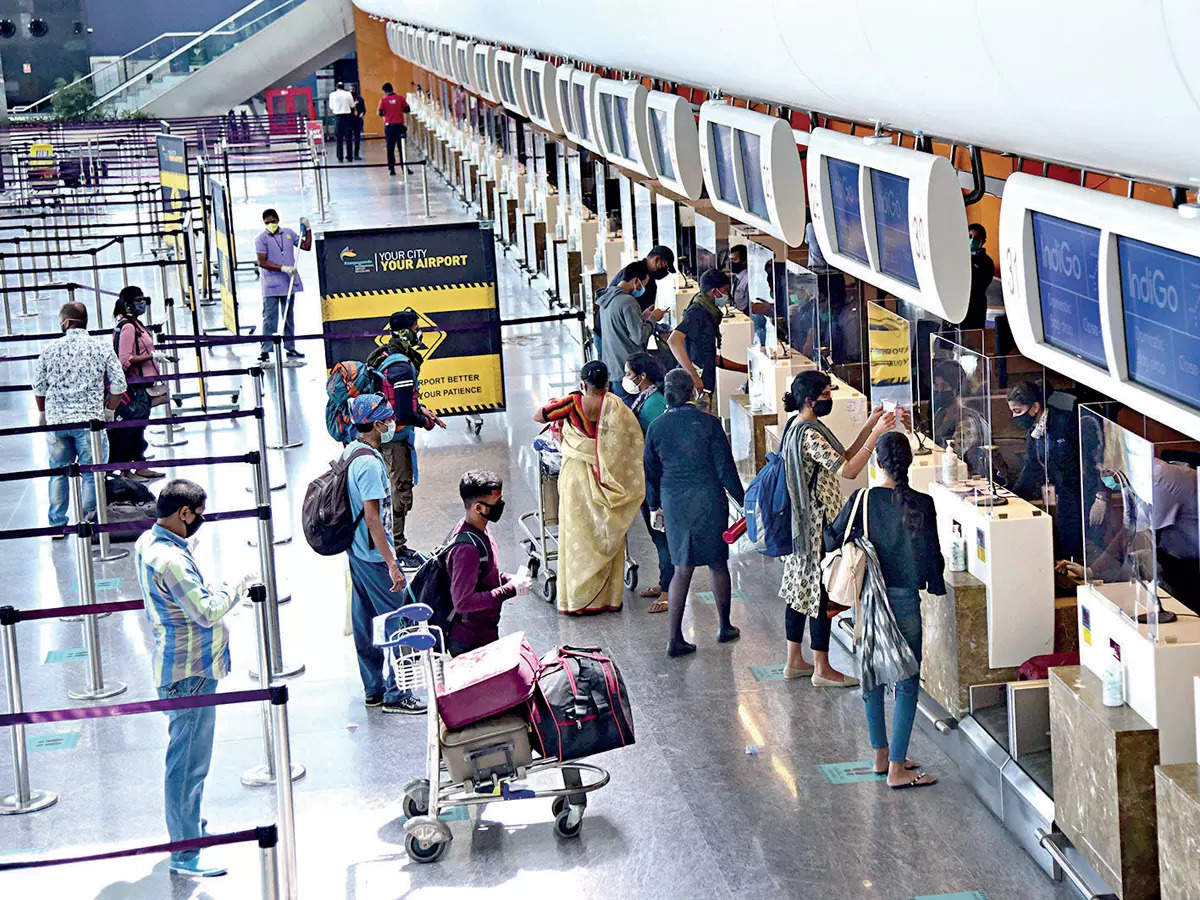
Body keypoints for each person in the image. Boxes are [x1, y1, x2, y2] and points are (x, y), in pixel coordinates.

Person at [135, 479, 253, 877]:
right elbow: (205, 611)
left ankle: (189, 827)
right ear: (183, 513)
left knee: (188, 760)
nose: (200, 521)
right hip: (191, 672)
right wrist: (234, 587)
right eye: (197, 514)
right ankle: (184, 852)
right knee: (188, 764)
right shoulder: (171, 560)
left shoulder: (150, 545)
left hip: (179, 665)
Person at [826, 432, 944, 788]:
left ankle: (881, 755)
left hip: (869, 601)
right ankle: (897, 767)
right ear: (908, 463)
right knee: (907, 680)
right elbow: (930, 557)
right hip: (905, 598)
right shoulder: (921, 503)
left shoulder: (862, 500)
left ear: (878, 464)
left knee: (871, 675)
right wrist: (933, 585)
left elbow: (833, 538)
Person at [779, 370, 894, 685]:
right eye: (826, 394)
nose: (830, 399)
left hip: (800, 524)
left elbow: (842, 454)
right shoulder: (810, 434)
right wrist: (877, 435)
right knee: (819, 594)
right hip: (817, 525)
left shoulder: (797, 426)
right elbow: (848, 469)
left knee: (799, 593)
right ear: (809, 399)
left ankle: (794, 661)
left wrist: (871, 424)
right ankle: (822, 668)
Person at [644, 368, 745, 656]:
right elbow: (725, 468)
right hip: (708, 497)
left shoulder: (656, 427)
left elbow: (650, 471)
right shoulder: (709, 423)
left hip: (674, 500)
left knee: (682, 567)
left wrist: (654, 506)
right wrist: (744, 502)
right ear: (693, 392)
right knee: (717, 562)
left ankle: (674, 638)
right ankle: (724, 626)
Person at [534, 361, 645, 614]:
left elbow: (539, 415)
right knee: (605, 533)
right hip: (607, 479)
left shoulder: (573, 402)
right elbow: (629, 445)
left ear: (583, 383)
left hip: (577, 478)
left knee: (578, 535)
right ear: (607, 383)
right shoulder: (616, 407)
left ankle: (578, 599)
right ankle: (608, 599)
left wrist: (555, 408)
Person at [343, 394, 425, 714]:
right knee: (400, 619)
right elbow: (374, 519)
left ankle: (373, 688)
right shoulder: (369, 464)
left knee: (365, 619)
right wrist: (393, 564)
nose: (392, 422)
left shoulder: (350, 452)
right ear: (376, 424)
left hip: (357, 553)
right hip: (375, 556)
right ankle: (398, 692)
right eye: (388, 418)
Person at [33, 301, 126, 530]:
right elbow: (119, 385)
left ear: (64, 322)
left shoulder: (49, 348)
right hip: (90, 423)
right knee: (91, 475)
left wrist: (43, 413)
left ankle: (57, 524)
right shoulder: (101, 347)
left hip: (57, 421)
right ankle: (90, 523)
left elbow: (39, 387)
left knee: (58, 473)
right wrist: (109, 410)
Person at [366, 310, 447, 565]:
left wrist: (420, 408)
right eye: (416, 327)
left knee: (391, 489)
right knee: (400, 491)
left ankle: (393, 545)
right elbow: (402, 411)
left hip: (385, 434)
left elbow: (398, 398)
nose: (418, 331)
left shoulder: (386, 354)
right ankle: (397, 550)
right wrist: (424, 421)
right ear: (405, 331)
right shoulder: (401, 366)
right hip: (394, 439)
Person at [445, 470, 527, 656]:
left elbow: (483, 575)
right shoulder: (467, 550)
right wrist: (509, 589)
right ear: (478, 508)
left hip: (484, 633)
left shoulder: (479, 530)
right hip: (470, 643)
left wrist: (507, 579)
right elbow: (463, 602)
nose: (501, 505)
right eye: (496, 502)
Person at [1006, 381, 1083, 560]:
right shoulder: (1034, 430)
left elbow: (1086, 460)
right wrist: (1014, 496)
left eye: (1017, 411)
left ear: (1035, 407)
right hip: (1063, 494)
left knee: (1075, 542)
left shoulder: (1064, 423)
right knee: (1066, 540)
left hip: (1079, 491)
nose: (1014, 416)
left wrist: (1099, 496)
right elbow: (1032, 466)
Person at [623, 351, 672, 610]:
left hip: (657, 480)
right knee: (657, 536)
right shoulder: (644, 400)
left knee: (661, 535)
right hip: (649, 477)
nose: (626, 378)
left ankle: (668, 591)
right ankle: (665, 583)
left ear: (642, 377)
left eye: (629, 374)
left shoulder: (653, 405)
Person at [109, 286, 164, 481]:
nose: (142, 303)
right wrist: (151, 356)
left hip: (143, 383)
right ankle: (128, 470)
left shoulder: (134, 324)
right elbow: (125, 359)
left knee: (139, 426)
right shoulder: (128, 327)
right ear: (128, 304)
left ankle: (138, 466)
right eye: (138, 299)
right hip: (135, 385)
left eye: (144, 299)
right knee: (132, 427)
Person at [666, 268, 746, 402]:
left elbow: (707, 355)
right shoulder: (697, 312)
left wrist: (744, 368)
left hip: (705, 383)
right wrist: (694, 376)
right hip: (694, 387)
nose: (727, 295)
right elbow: (673, 341)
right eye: (725, 290)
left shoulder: (708, 312)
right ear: (715, 291)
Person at [595, 260, 662, 399]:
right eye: (643, 284)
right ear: (636, 281)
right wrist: (653, 319)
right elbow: (639, 337)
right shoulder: (628, 302)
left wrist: (641, 318)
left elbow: (620, 326)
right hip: (629, 370)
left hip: (613, 368)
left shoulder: (607, 298)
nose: (643, 288)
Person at [594, 246, 675, 357]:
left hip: (608, 332)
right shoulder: (635, 291)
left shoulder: (630, 273)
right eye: (664, 266)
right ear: (656, 259)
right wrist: (653, 319)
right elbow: (638, 336)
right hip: (616, 339)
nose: (664, 271)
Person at [255, 208, 312, 365]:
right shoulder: (261, 239)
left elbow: (306, 246)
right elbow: (262, 262)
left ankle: (290, 346)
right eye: (267, 223)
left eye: (273, 222)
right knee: (269, 318)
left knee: (288, 316)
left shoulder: (288, 234)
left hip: (288, 282)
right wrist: (282, 268)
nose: (270, 225)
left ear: (278, 220)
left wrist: (308, 229)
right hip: (271, 285)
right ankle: (265, 350)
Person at [729, 244, 773, 345]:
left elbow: (753, 305)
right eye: (730, 260)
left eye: (734, 260)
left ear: (744, 261)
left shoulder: (751, 279)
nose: (731, 263)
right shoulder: (737, 278)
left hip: (754, 319)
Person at [960, 223, 995, 330]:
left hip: (975, 307)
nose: (972, 241)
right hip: (957, 305)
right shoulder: (958, 255)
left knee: (973, 341)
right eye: (970, 237)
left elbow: (980, 285)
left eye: (976, 239)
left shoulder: (986, 262)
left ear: (983, 242)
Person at [378, 82, 412, 175]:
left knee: (390, 148)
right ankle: (404, 168)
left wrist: (388, 113)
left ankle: (392, 169)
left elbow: (380, 113)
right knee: (402, 148)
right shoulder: (400, 98)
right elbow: (407, 109)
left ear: (384, 91)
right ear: (392, 89)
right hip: (399, 127)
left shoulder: (383, 100)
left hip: (389, 127)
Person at [329, 82, 355, 163]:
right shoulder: (348, 94)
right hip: (347, 117)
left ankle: (340, 157)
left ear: (336, 87)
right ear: (343, 87)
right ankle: (350, 156)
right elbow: (352, 105)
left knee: (339, 139)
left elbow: (331, 107)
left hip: (338, 117)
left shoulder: (332, 94)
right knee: (348, 138)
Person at [350, 86, 366, 161]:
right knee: (349, 138)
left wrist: (362, 113)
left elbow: (364, 109)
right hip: (350, 120)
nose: (352, 91)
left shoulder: (360, 98)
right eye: (350, 89)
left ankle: (356, 154)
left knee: (357, 137)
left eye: (353, 89)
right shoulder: (348, 99)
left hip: (358, 120)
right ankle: (349, 155)